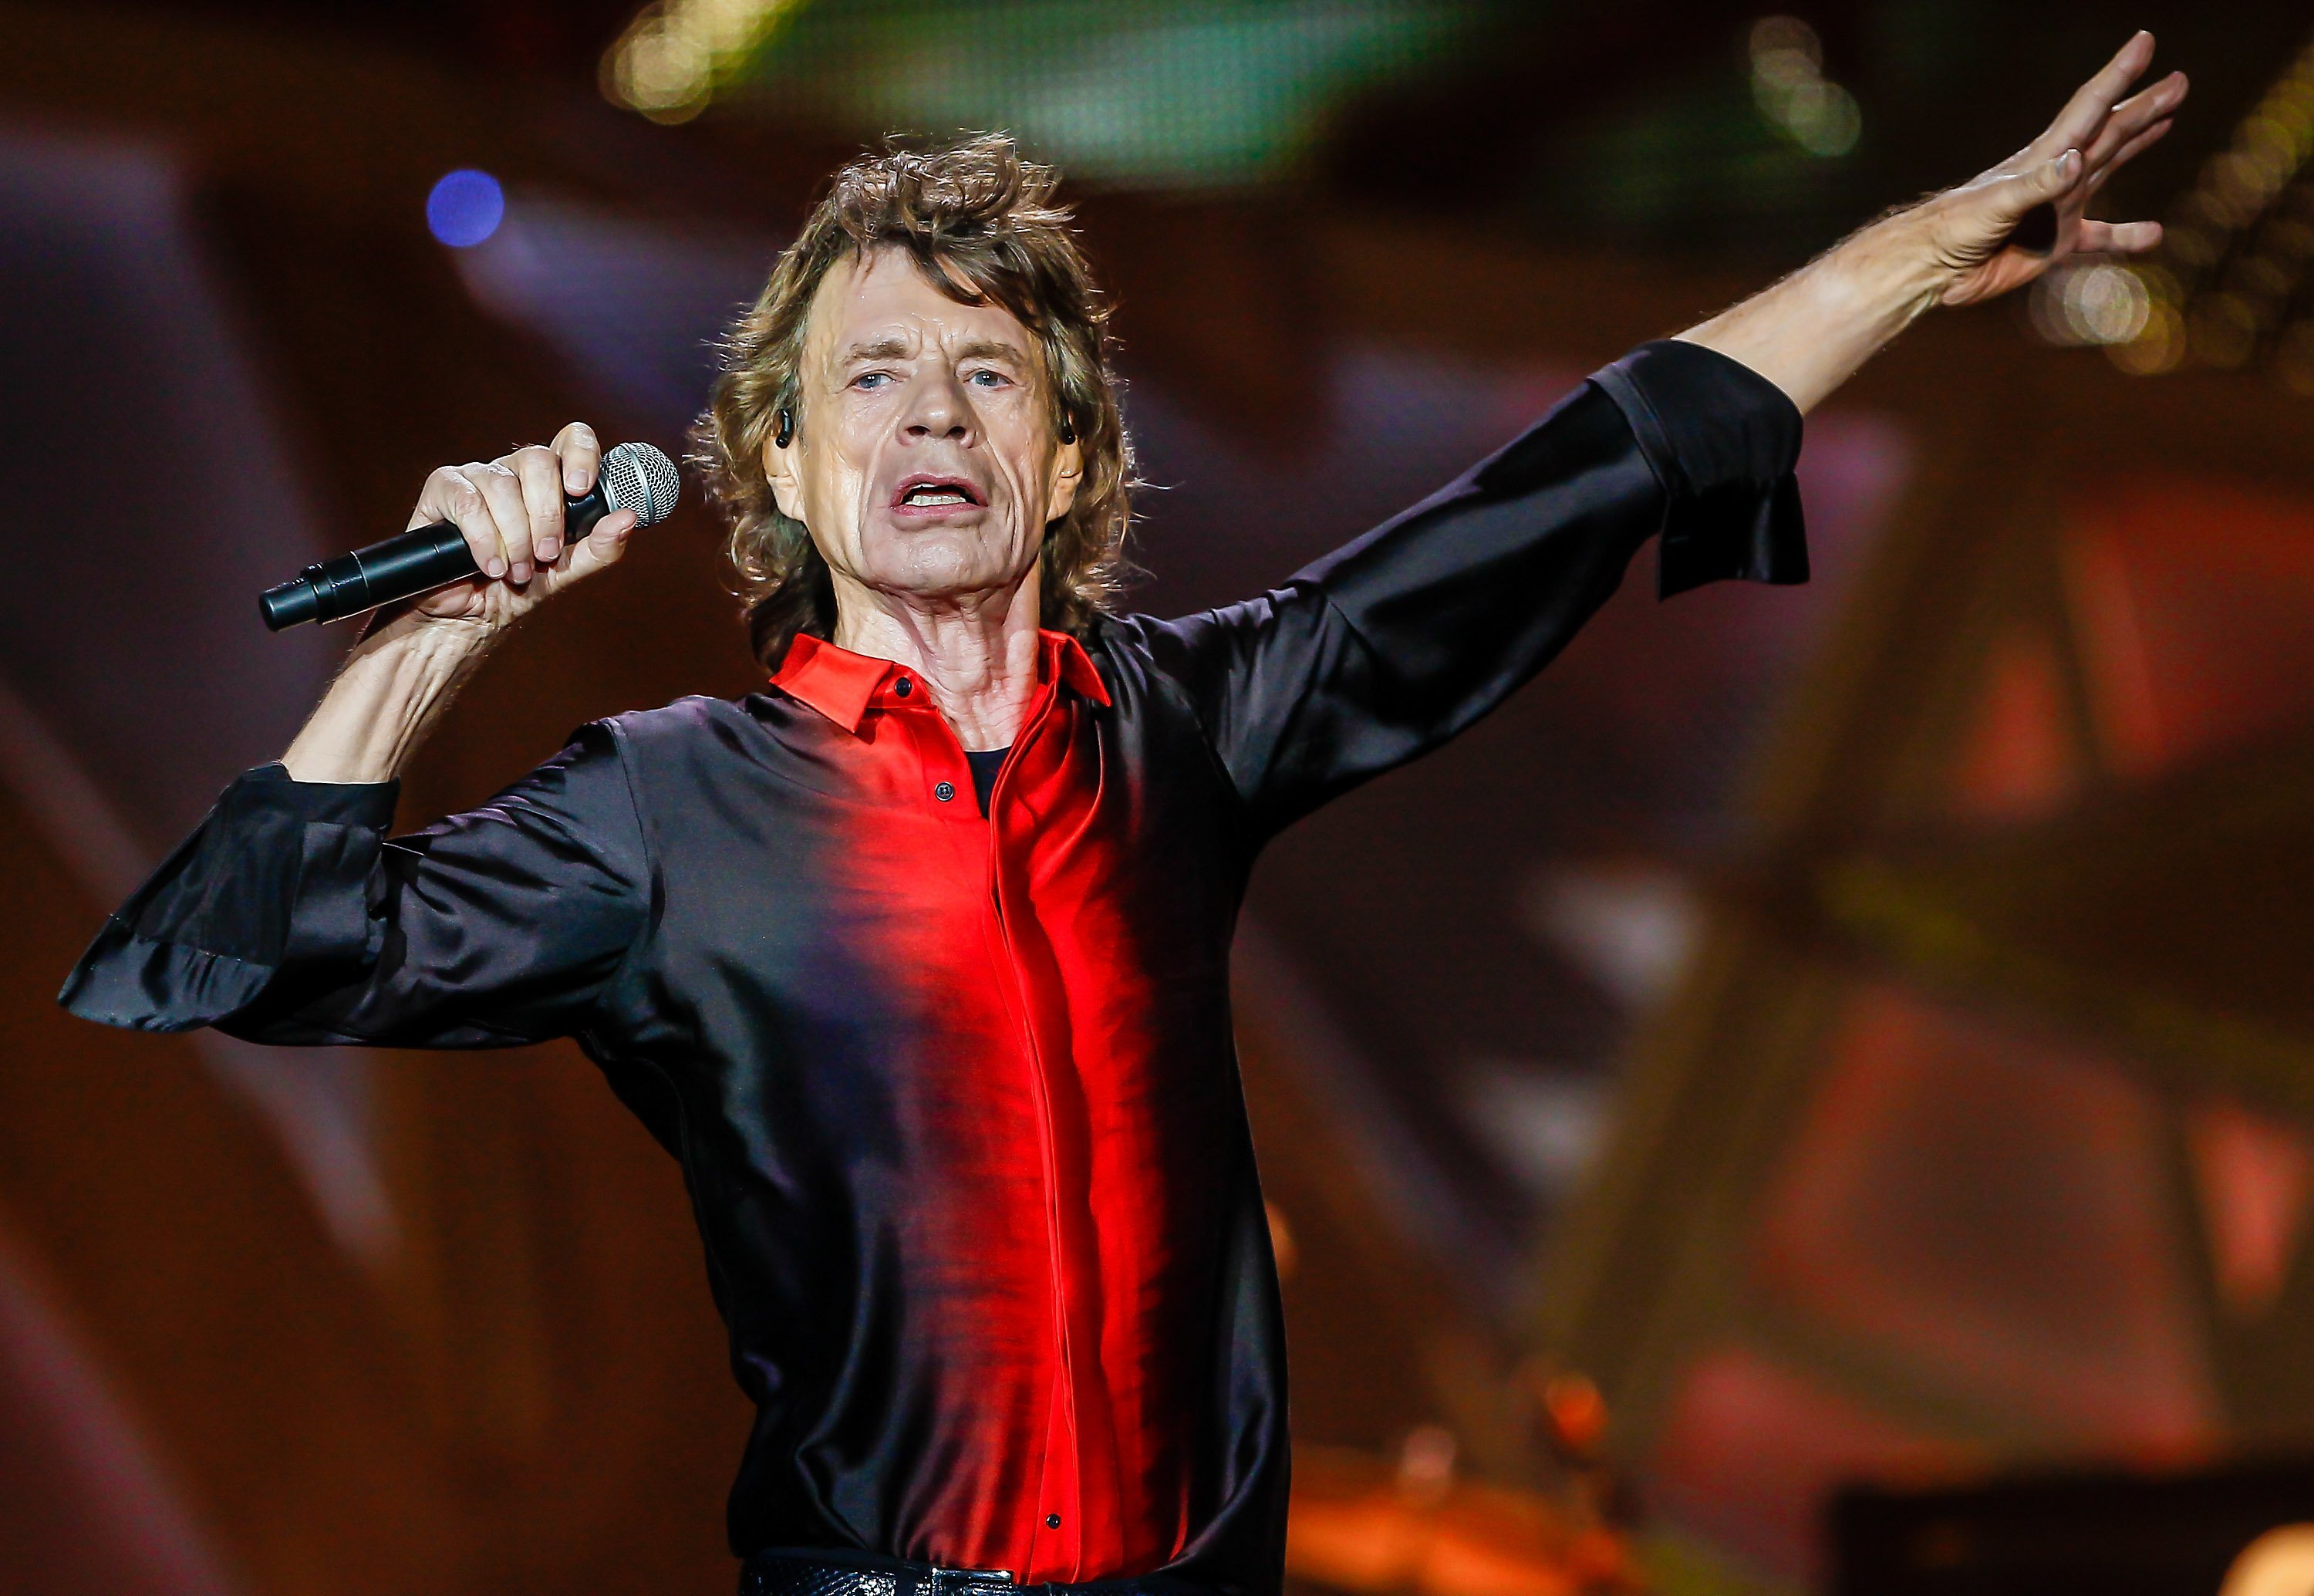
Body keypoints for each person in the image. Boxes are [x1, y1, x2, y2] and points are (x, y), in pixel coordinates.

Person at [61, 33, 2183, 1596]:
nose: (930, 416)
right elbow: (227, 960)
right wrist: (435, 639)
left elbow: (1594, 478)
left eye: (989, 376)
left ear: (1070, 470)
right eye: (868, 379)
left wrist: (1913, 253)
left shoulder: (1187, 727)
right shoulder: (669, 811)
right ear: (788, 482)